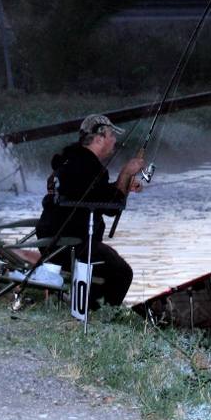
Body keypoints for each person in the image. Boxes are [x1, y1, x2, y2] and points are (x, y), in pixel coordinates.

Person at [37, 114, 144, 310]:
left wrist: (124, 186)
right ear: (98, 139)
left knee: (107, 263)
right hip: (69, 243)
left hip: (51, 240)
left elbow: (93, 196)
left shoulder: (72, 161)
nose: (114, 140)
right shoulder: (88, 166)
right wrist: (127, 173)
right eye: (111, 135)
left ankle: (84, 308)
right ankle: (99, 314)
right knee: (122, 272)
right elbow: (112, 206)